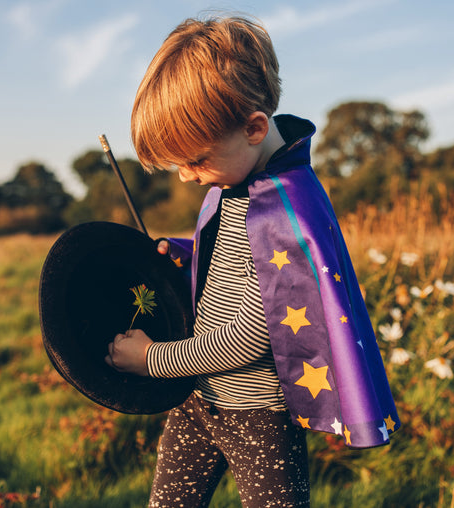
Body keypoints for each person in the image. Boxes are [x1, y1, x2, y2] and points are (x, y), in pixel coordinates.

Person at [105, 14, 399, 508]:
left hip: (259, 416)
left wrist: (152, 359)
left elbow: (253, 332)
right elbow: (240, 262)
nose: (185, 177)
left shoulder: (287, 207)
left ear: (254, 127)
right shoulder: (236, 183)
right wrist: (186, 253)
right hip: (198, 400)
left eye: (194, 161)